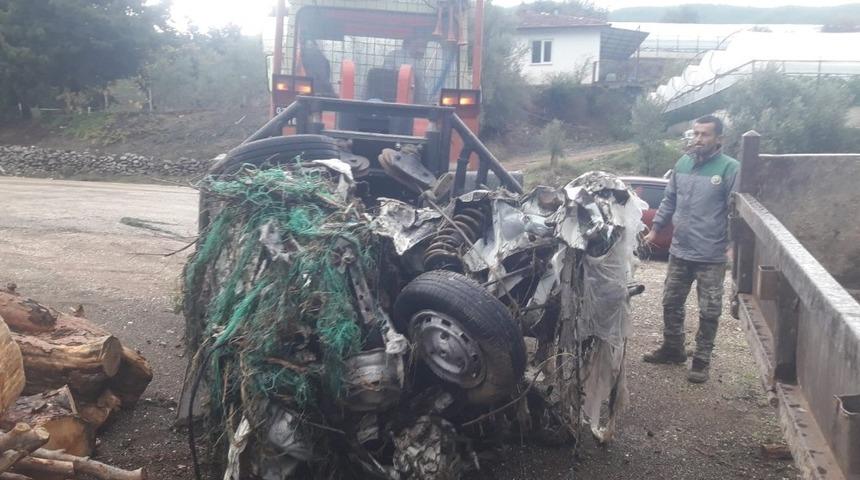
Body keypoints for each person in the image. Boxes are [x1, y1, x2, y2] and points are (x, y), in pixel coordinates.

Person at [641, 115, 739, 384]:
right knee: (671, 302)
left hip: (711, 254)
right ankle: (673, 349)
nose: (698, 139)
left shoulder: (730, 168)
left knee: (709, 310)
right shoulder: (682, 164)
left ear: (719, 139)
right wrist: (655, 229)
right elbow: (669, 199)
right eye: (695, 133)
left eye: (705, 134)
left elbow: (736, 211)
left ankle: (702, 360)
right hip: (680, 250)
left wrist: (733, 245)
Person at [382, 37, 428, 103]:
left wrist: (425, 103)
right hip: (391, 97)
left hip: (413, 100)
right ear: (408, 44)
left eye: (423, 46)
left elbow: (421, 86)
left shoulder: (420, 64)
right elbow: (387, 75)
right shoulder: (394, 55)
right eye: (418, 45)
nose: (421, 49)